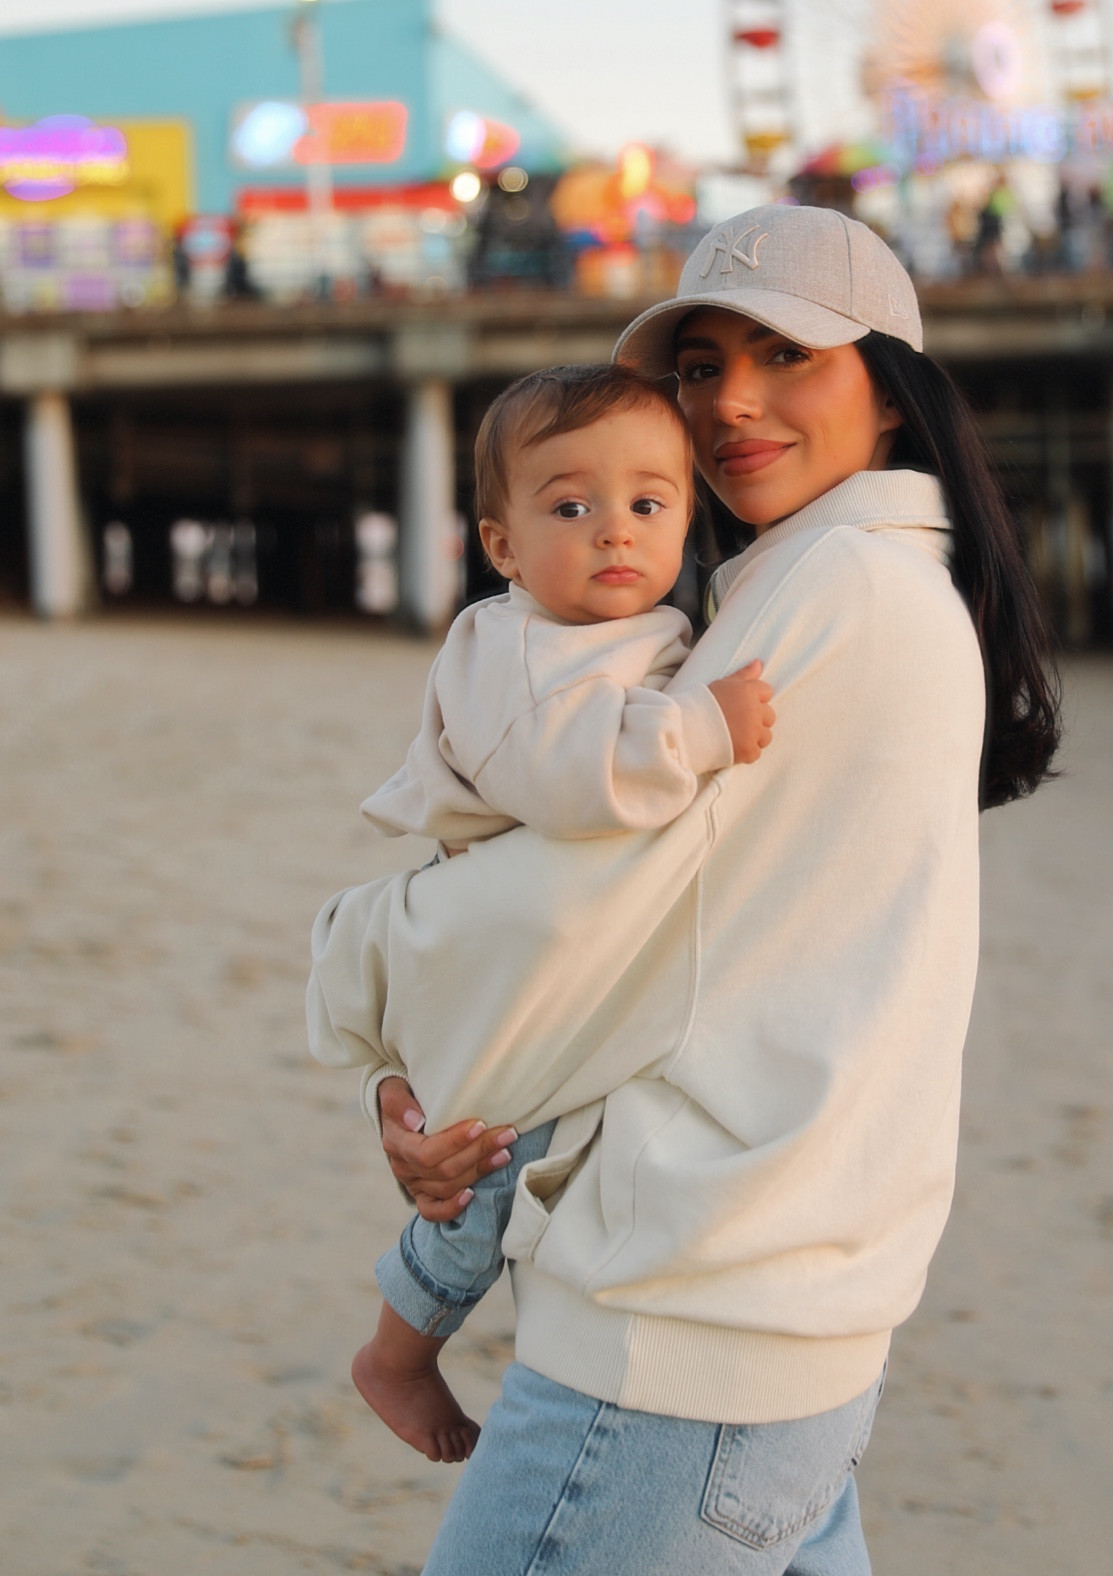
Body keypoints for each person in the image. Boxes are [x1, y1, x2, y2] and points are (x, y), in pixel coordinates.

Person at [308, 203, 1061, 1574]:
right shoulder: (849, 577)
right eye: (702, 365)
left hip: (683, 1340)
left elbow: (579, 918)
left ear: (888, 394)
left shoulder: (833, 588)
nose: (732, 404)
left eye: (787, 356)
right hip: (786, 1318)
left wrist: (360, 999)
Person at [348, 362, 776, 1463]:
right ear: (501, 546)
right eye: (570, 507)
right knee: (488, 1153)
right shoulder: (515, 649)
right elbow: (568, 784)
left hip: (542, 947)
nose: (613, 533)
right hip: (493, 954)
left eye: (648, 503)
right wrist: (704, 733)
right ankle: (398, 1349)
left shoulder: (630, 629)